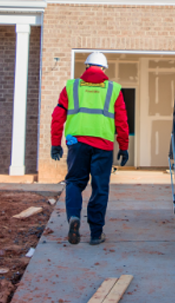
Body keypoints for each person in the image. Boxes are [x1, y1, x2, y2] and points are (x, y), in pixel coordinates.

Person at [50, 52, 129, 246]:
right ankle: (96, 233)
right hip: (103, 146)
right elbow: (122, 121)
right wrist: (124, 147)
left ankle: (74, 218)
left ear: (86, 67)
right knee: (100, 188)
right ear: (103, 69)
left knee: (74, 182)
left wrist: (55, 143)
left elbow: (57, 116)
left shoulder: (71, 87)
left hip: (77, 144)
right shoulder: (113, 89)